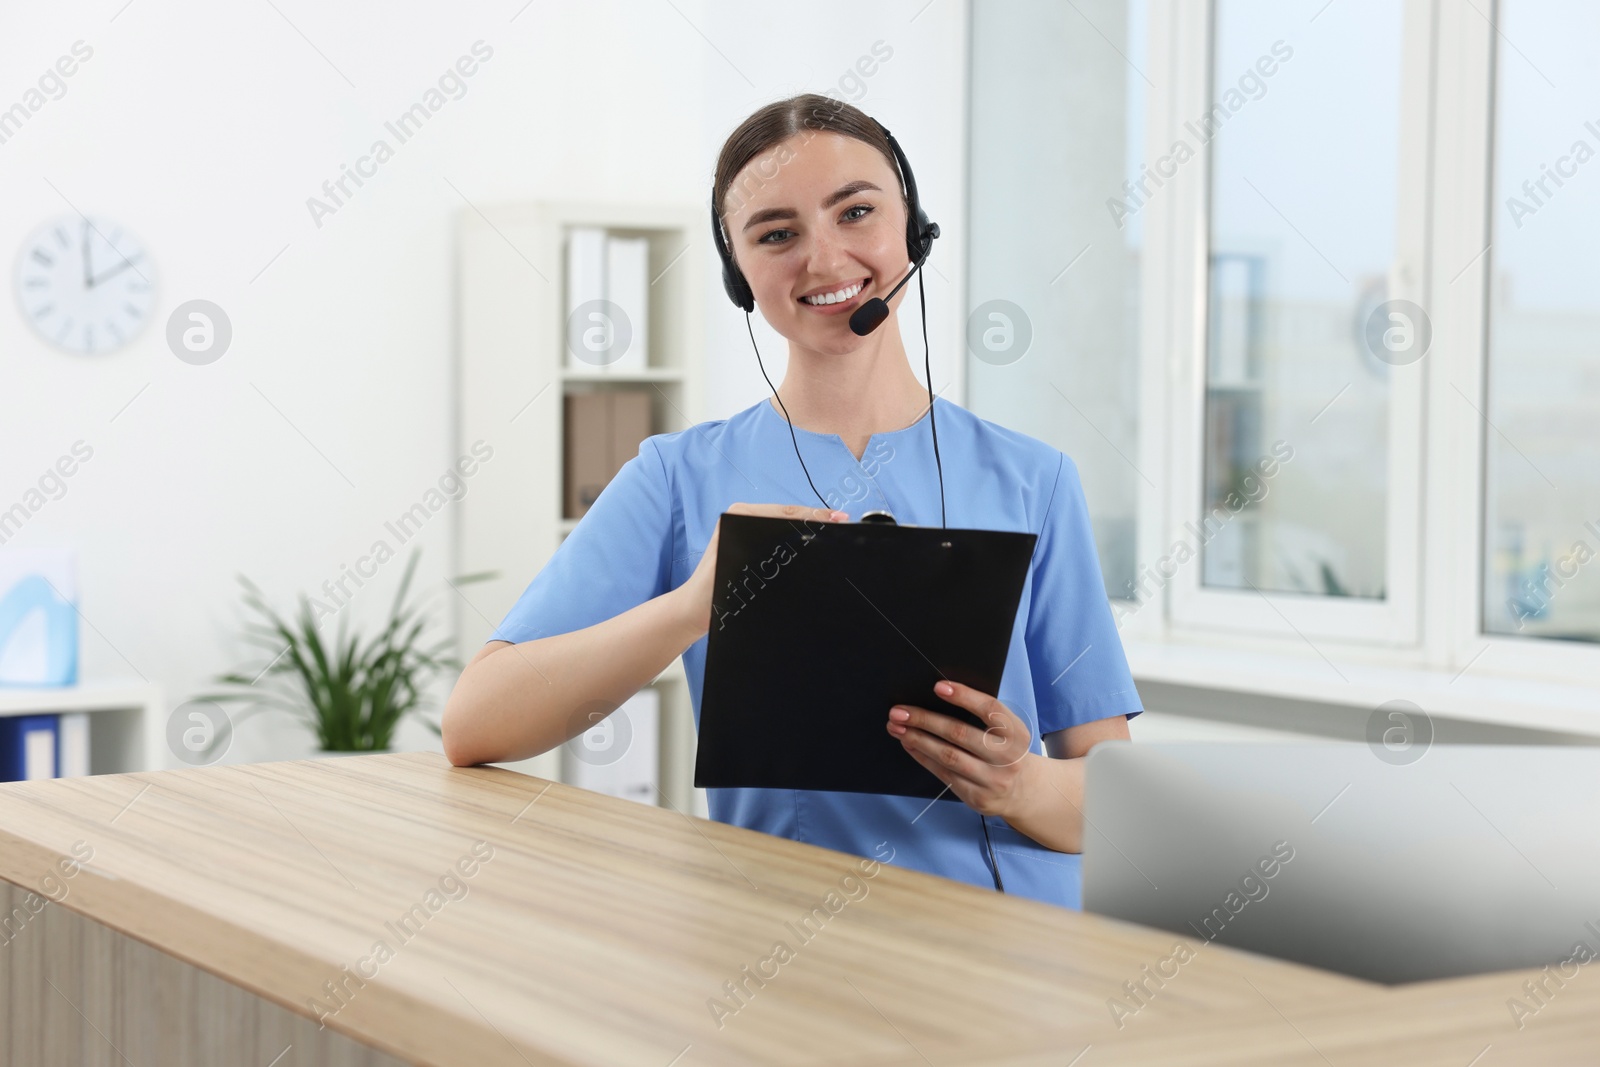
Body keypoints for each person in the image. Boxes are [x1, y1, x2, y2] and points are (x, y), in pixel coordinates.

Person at [442, 93, 1143, 910]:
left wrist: (1017, 783)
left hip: (1009, 947)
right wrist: (692, 607)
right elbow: (476, 723)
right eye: (776, 234)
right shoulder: (678, 477)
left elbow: (1111, 800)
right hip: (781, 946)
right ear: (739, 274)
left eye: (856, 212)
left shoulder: (1035, 479)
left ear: (913, 230)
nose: (824, 259)